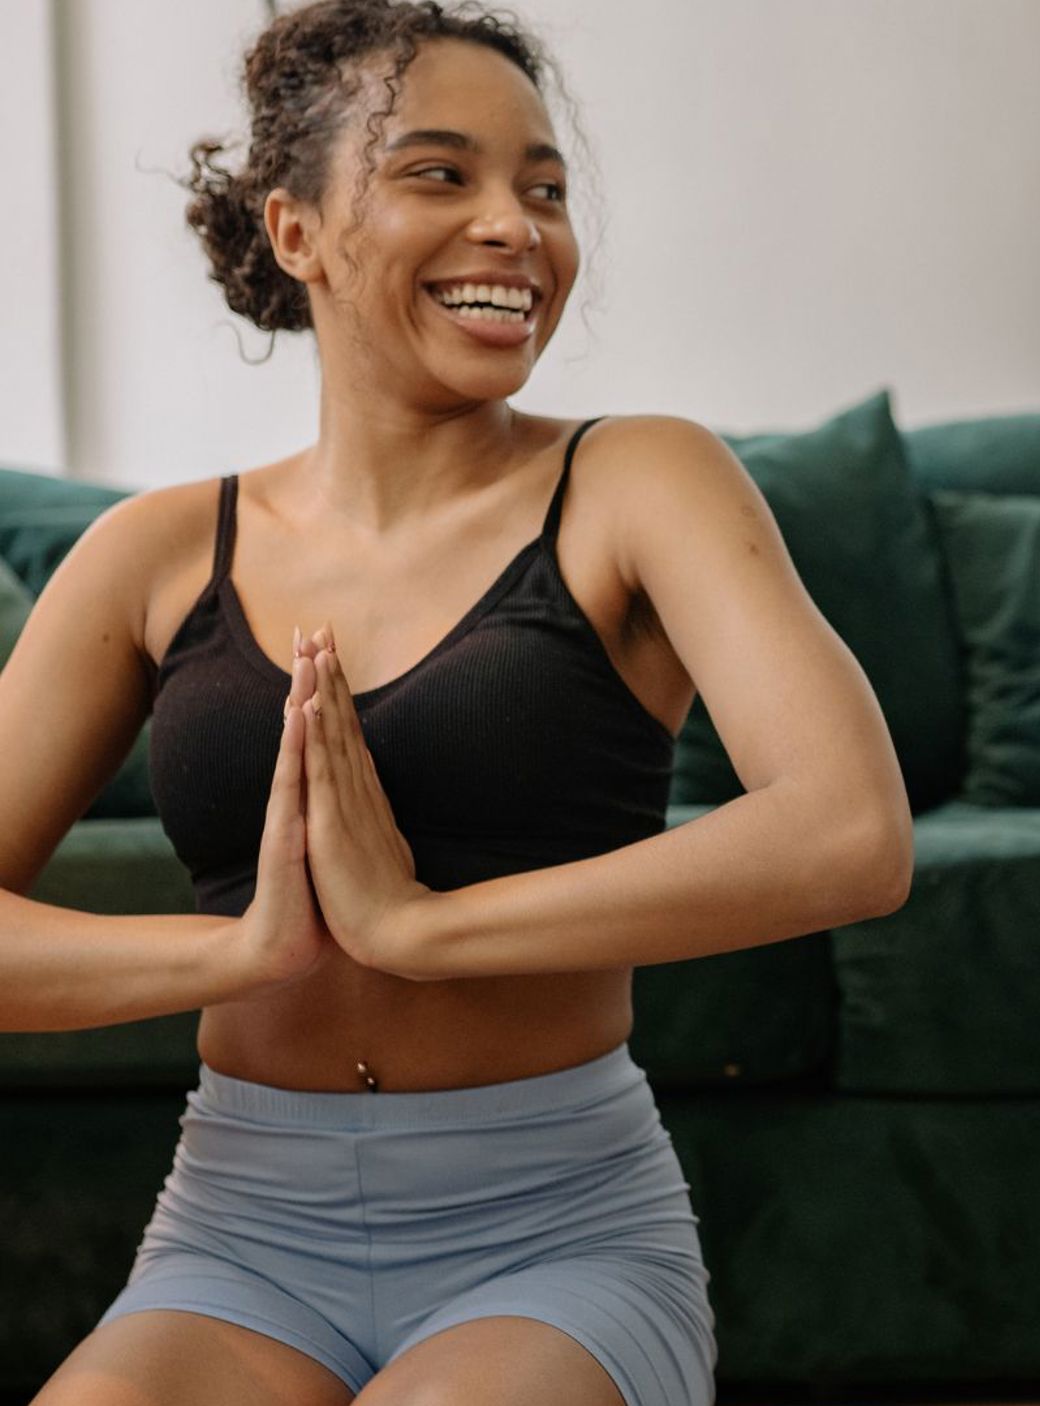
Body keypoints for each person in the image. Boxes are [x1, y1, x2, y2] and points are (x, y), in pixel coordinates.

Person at [8, 3, 912, 1403]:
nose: (517, 226)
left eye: (543, 189)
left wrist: (423, 929)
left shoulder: (640, 485)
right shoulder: (155, 553)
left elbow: (852, 829)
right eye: (443, 174)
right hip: (241, 1232)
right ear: (297, 229)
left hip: (554, 1234)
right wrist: (246, 952)